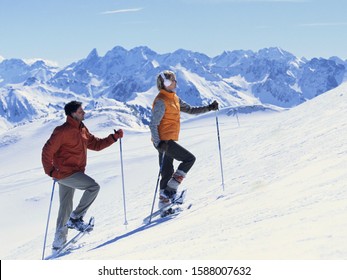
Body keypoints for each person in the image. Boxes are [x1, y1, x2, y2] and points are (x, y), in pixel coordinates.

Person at [41, 100, 123, 251]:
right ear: (73, 114)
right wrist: (51, 171)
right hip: (65, 173)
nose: (84, 113)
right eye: (80, 111)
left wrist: (113, 138)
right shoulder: (62, 131)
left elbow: (96, 144)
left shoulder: (82, 129)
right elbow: (47, 151)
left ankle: (59, 241)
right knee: (93, 187)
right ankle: (76, 217)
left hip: (74, 172)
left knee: (65, 206)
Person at [149, 70, 219, 210]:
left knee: (167, 171)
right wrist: (159, 143)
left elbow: (191, 110)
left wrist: (209, 108)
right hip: (164, 142)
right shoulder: (161, 101)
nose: (176, 82)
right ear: (166, 83)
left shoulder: (174, 98)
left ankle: (164, 201)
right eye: (173, 80)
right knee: (189, 159)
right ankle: (170, 191)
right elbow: (153, 124)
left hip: (167, 140)